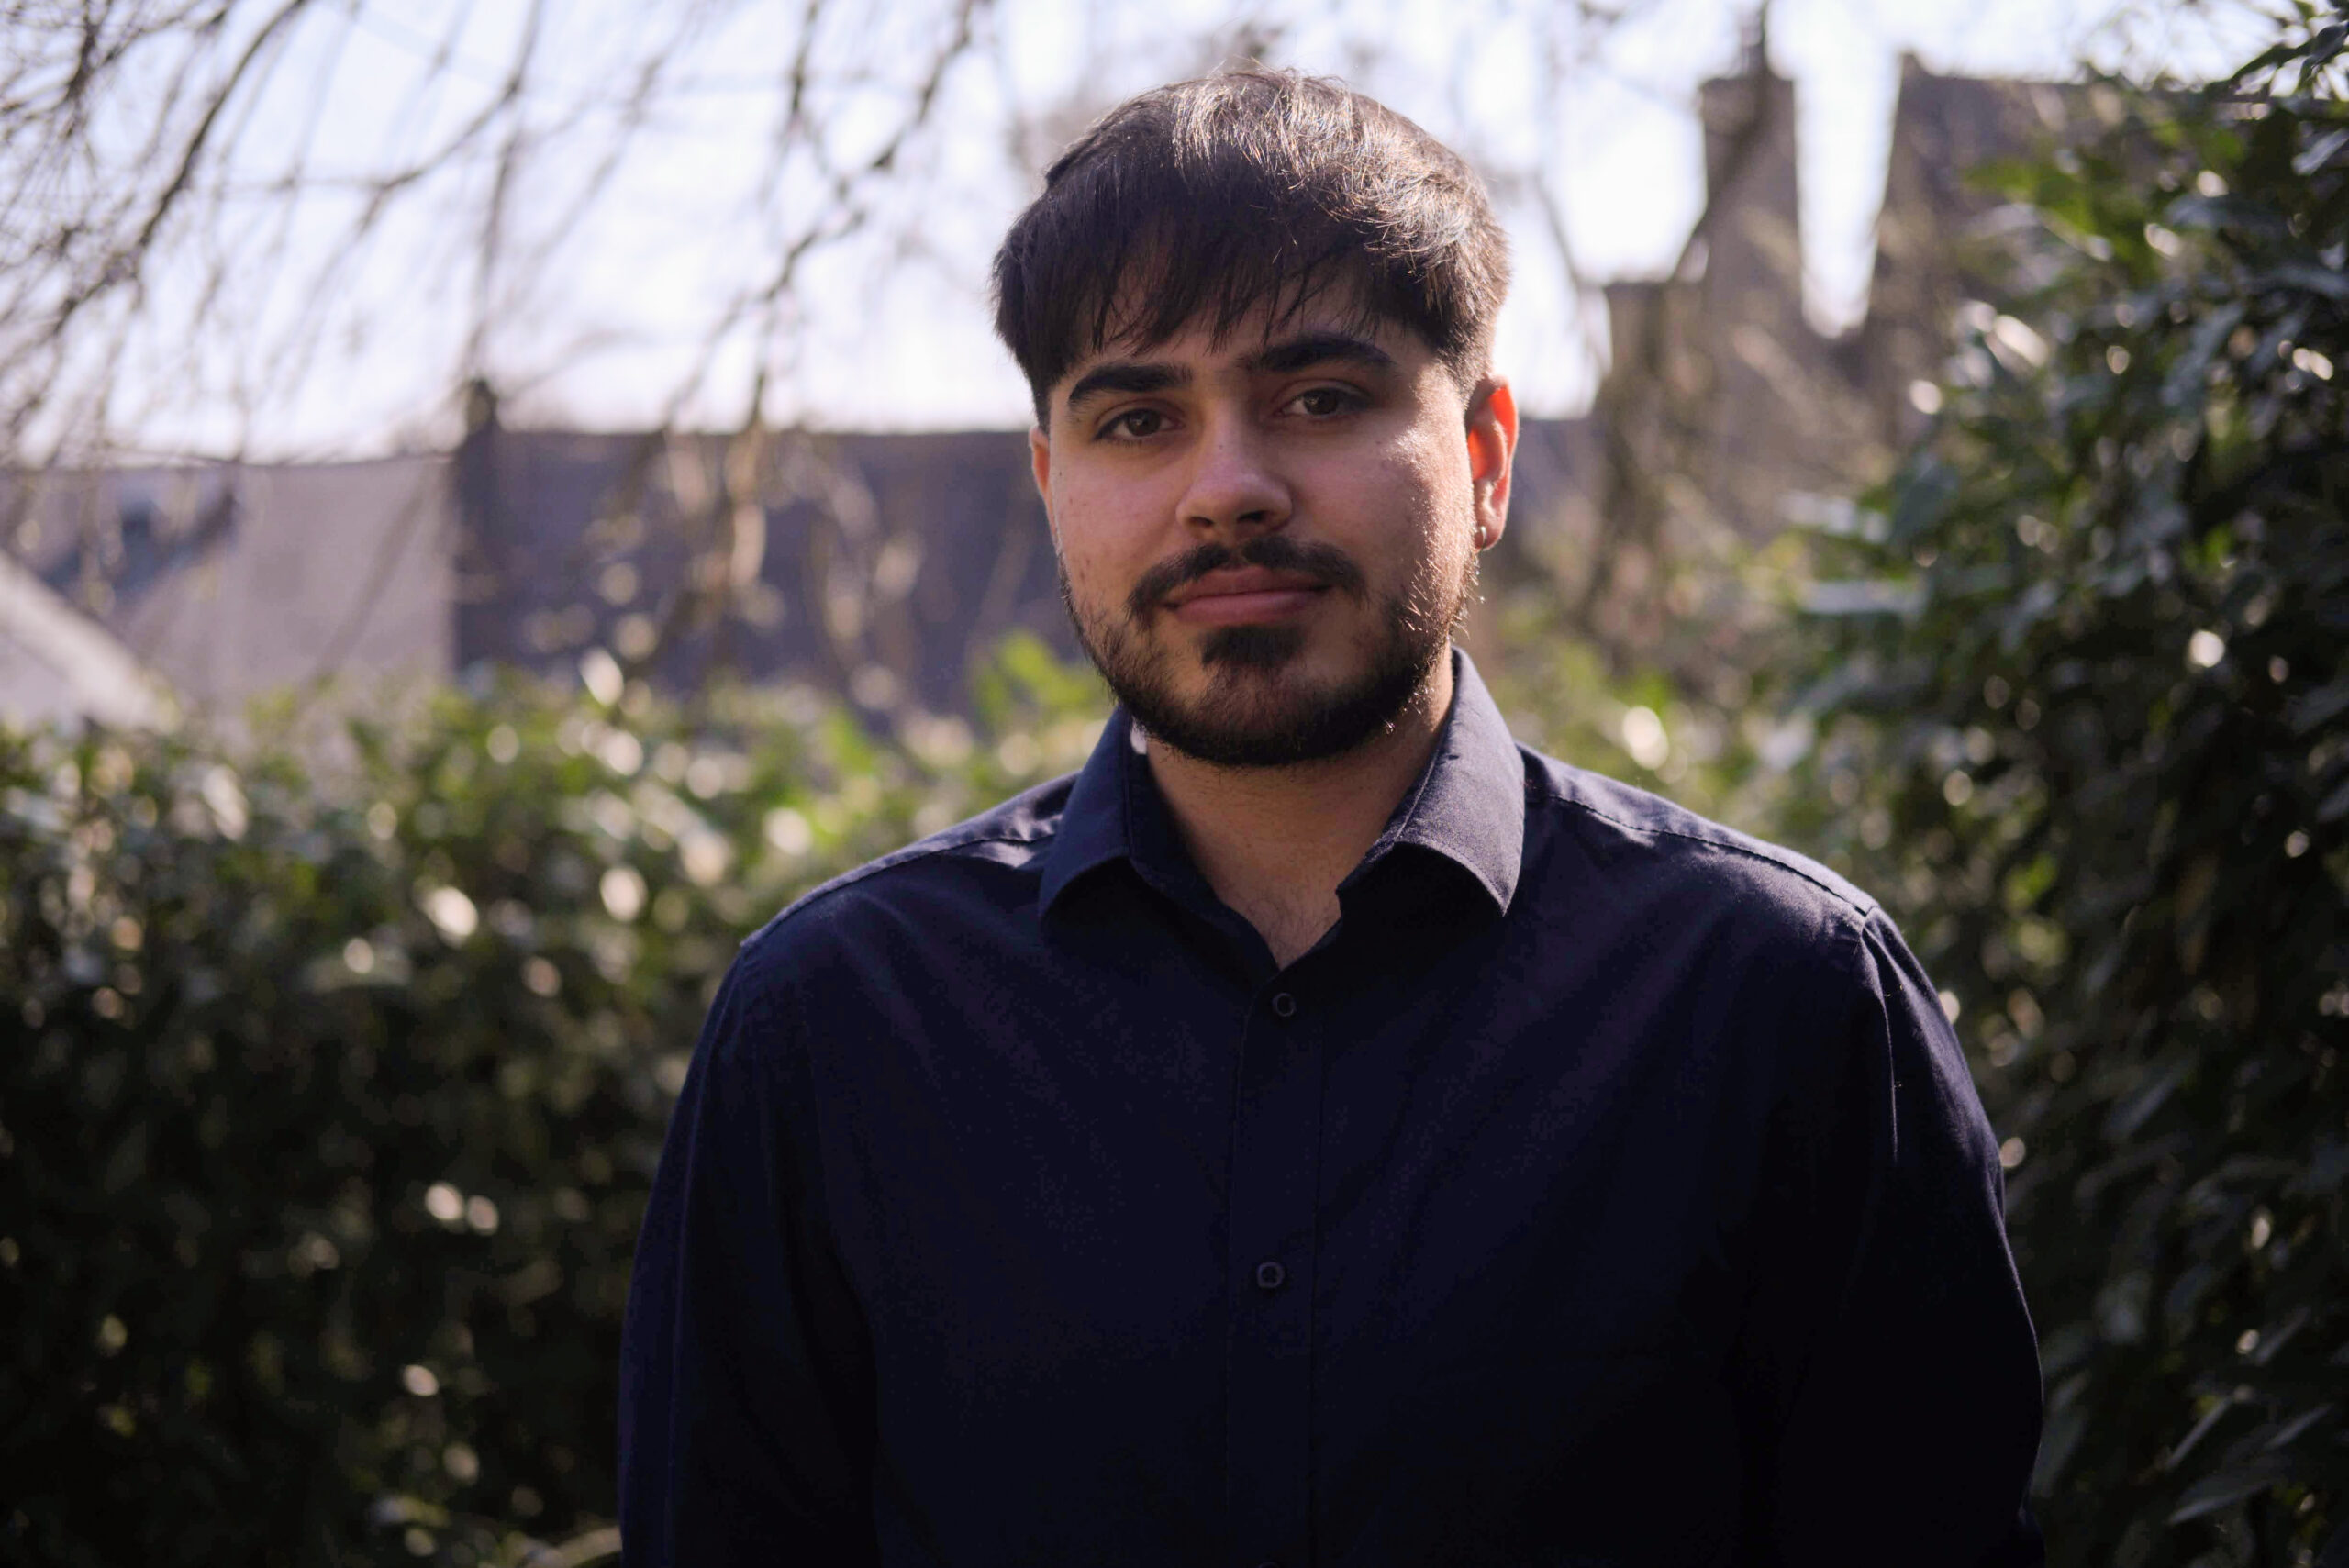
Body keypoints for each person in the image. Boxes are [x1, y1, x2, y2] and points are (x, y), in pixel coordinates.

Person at [618, 68, 2043, 1567]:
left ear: (1486, 459)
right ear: (1050, 482)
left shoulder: (1784, 1001)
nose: (1226, 488)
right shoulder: (833, 1031)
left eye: (1320, 398)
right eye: (1138, 419)